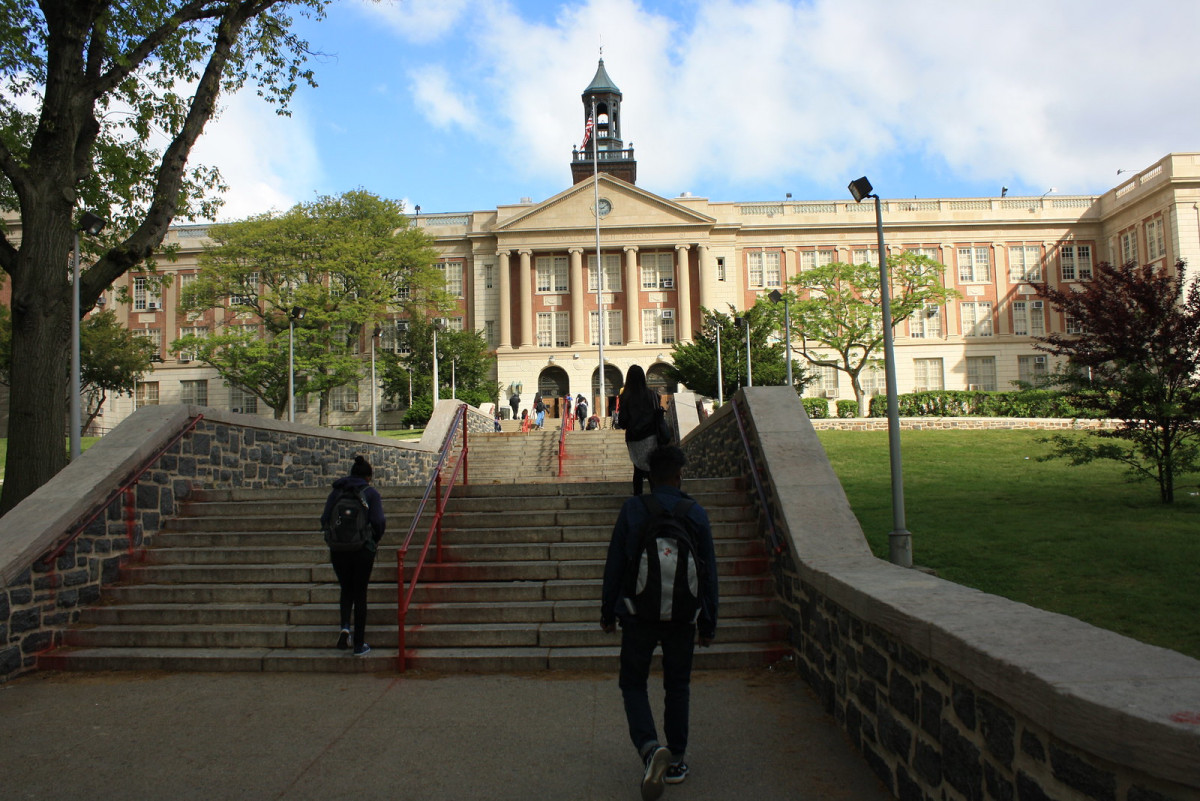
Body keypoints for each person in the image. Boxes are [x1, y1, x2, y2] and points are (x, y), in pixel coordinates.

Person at [601, 446, 718, 800]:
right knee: (677, 685)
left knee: (633, 683)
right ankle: (677, 759)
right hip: (683, 617)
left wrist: (608, 611)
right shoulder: (694, 513)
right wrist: (708, 621)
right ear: (679, 476)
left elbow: (616, 564)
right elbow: (709, 572)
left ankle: (651, 748)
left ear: (650, 478)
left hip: (639, 614)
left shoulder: (633, 510)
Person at [320, 455, 386, 656]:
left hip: (338, 549)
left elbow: (324, 519)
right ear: (368, 477)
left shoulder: (337, 491)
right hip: (362, 549)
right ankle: (359, 644)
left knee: (346, 589)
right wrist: (373, 540)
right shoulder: (370, 493)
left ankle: (345, 627)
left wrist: (332, 539)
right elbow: (379, 522)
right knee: (360, 593)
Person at [616, 365, 661, 496]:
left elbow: (622, 422)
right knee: (651, 467)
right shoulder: (652, 395)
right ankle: (656, 497)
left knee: (637, 468)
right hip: (650, 436)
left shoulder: (625, 397)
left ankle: (638, 498)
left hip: (634, 437)